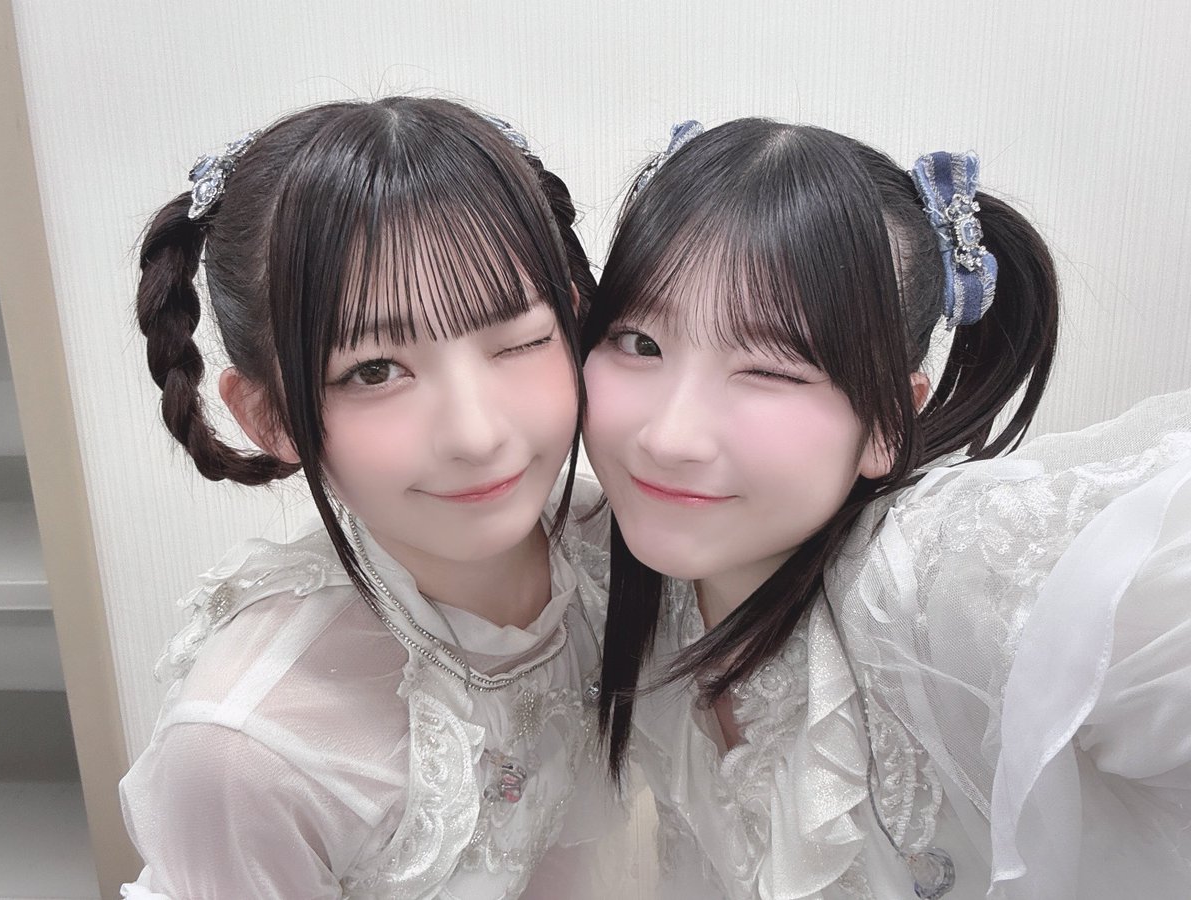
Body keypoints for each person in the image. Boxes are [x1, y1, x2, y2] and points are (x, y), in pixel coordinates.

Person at [581, 118, 1191, 899]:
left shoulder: (942, 574)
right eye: (640, 343)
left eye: (769, 370)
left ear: (886, 424)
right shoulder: (610, 570)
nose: (669, 438)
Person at [121, 97, 619, 899]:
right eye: (375, 371)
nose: (476, 433)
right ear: (273, 417)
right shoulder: (250, 749)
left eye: (521, 339)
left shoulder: (618, 551)